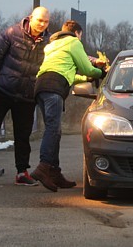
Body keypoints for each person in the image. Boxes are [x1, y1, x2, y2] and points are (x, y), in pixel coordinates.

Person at [0, 6, 51, 187]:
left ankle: (21, 172)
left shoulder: (49, 41)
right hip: (3, 90)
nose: (42, 24)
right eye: (39, 20)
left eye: (46, 21)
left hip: (26, 95)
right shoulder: (11, 33)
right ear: (31, 18)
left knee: (23, 135)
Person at [31, 20, 106, 191]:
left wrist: (85, 79)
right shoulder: (74, 42)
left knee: (54, 130)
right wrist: (101, 73)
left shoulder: (53, 45)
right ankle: (43, 167)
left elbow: (68, 73)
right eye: (81, 35)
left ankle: (55, 173)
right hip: (54, 87)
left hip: (41, 86)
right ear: (77, 33)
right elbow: (87, 68)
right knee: (53, 129)